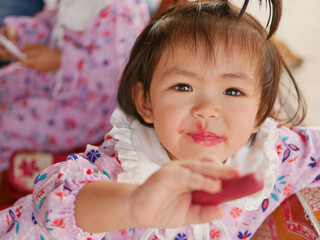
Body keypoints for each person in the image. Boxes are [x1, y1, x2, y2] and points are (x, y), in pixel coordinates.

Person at [1, 0, 319, 239]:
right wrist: (132, 204)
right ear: (145, 101)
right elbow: (50, 203)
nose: (207, 109)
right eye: (183, 86)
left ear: (260, 112)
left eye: (233, 91)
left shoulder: (276, 155)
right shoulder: (119, 170)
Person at [0, 0, 150, 171]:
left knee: (7, 124)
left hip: (86, 108)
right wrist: (19, 34)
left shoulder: (122, 9)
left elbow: (113, 76)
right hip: (52, 80)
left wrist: (60, 60)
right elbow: (50, 25)